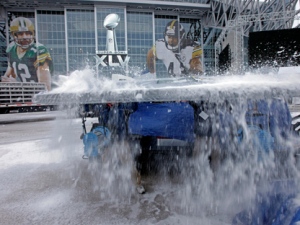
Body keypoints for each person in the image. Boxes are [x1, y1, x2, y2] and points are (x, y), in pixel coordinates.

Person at [1, 17, 53, 91]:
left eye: (28, 33)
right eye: (20, 33)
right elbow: (9, 74)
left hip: (39, 96)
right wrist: (6, 81)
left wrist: (18, 85)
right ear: (14, 35)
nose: (25, 37)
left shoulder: (39, 50)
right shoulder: (11, 48)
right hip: (24, 95)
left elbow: (45, 87)